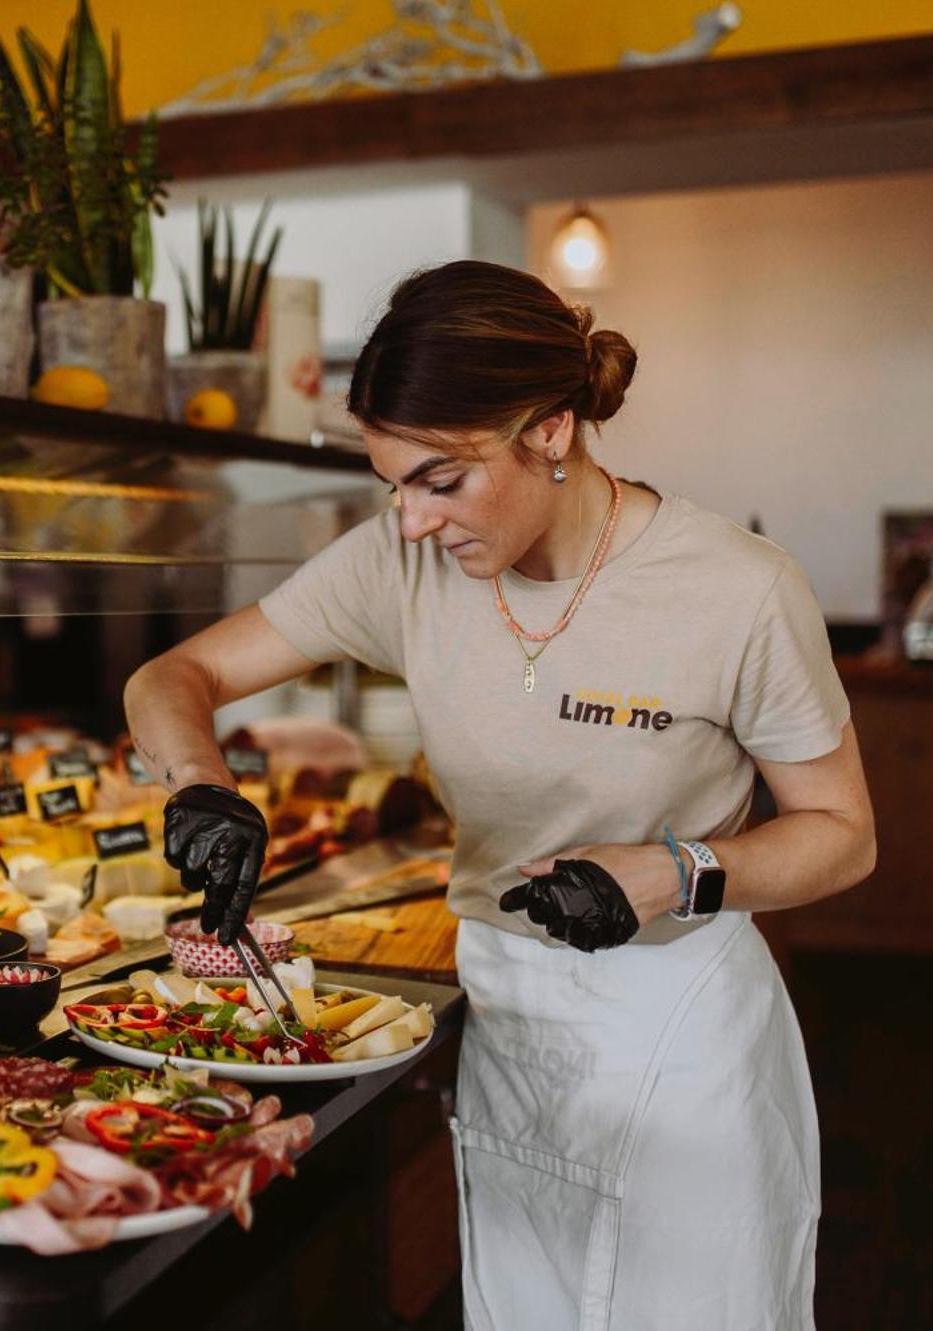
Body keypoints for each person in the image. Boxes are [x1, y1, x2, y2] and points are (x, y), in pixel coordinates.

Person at [125, 260, 876, 1328]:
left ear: (553, 431)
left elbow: (842, 835)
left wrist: (674, 872)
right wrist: (201, 783)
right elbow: (170, 678)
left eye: (440, 478)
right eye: (390, 482)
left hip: (679, 1029)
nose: (412, 519)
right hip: (508, 1026)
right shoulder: (398, 560)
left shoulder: (739, 590)